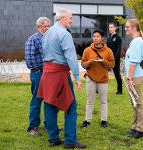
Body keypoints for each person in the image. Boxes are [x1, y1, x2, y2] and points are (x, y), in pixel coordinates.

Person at [37, 8, 86, 149]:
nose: (72, 20)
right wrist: (77, 77)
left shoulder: (47, 33)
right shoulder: (64, 34)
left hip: (47, 73)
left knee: (49, 104)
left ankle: (53, 138)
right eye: (70, 17)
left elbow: (44, 54)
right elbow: (71, 57)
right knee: (71, 105)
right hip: (59, 74)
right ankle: (70, 141)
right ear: (62, 18)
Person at [80, 29, 115, 128]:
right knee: (90, 100)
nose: (95, 38)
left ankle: (104, 121)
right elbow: (83, 63)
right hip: (90, 78)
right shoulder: (87, 50)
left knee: (103, 101)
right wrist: (88, 63)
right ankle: (87, 120)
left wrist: (103, 62)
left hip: (103, 79)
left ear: (102, 38)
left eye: (97, 36)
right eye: (94, 36)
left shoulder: (108, 51)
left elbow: (112, 64)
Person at [25, 17, 51, 136]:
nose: (47, 28)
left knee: (48, 100)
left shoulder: (49, 39)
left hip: (49, 74)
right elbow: (29, 60)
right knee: (37, 100)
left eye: (48, 26)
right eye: (45, 26)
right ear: (39, 27)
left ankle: (48, 125)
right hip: (38, 74)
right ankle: (33, 128)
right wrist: (41, 69)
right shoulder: (33, 39)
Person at [125, 19, 143, 138]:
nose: (125, 28)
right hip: (133, 77)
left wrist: (129, 79)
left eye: (127, 27)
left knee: (139, 103)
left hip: (135, 77)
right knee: (135, 103)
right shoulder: (135, 41)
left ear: (134, 28)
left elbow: (134, 62)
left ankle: (140, 129)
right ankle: (135, 126)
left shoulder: (137, 41)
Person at [107, 22, 123, 94]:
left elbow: (118, 50)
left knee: (117, 74)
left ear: (115, 28)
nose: (110, 29)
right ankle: (98, 89)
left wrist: (114, 59)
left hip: (115, 60)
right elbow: (107, 49)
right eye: (109, 27)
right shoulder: (109, 38)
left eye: (111, 27)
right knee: (102, 73)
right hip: (108, 60)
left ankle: (120, 90)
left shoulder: (118, 38)